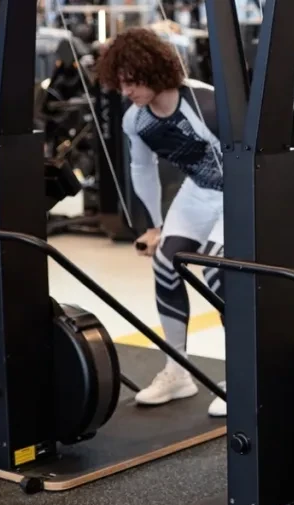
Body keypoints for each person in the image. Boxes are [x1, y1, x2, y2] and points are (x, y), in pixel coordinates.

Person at [96, 28, 227, 417]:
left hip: (238, 191)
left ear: (153, 73)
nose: (126, 92)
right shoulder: (136, 120)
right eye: (120, 84)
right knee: (166, 262)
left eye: (132, 83)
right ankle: (178, 371)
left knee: (219, 273)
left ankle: (243, 374)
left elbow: (249, 161)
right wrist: (155, 225)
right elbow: (142, 169)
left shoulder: (207, 105)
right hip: (199, 190)